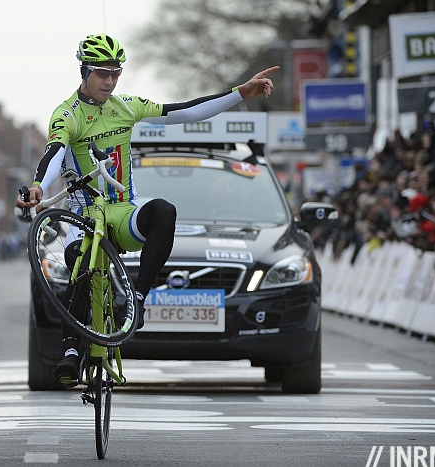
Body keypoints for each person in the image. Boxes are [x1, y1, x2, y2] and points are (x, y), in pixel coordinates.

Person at [16, 33, 279, 385]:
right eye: (101, 73)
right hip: (84, 214)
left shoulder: (126, 106)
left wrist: (239, 93)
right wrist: (37, 186)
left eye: (115, 73)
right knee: (80, 258)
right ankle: (70, 350)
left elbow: (184, 111)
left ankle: (137, 299)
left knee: (163, 212)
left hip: (123, 209)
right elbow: (52, 154)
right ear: (83, 71)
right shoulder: (68, 114)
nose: (109, 81)